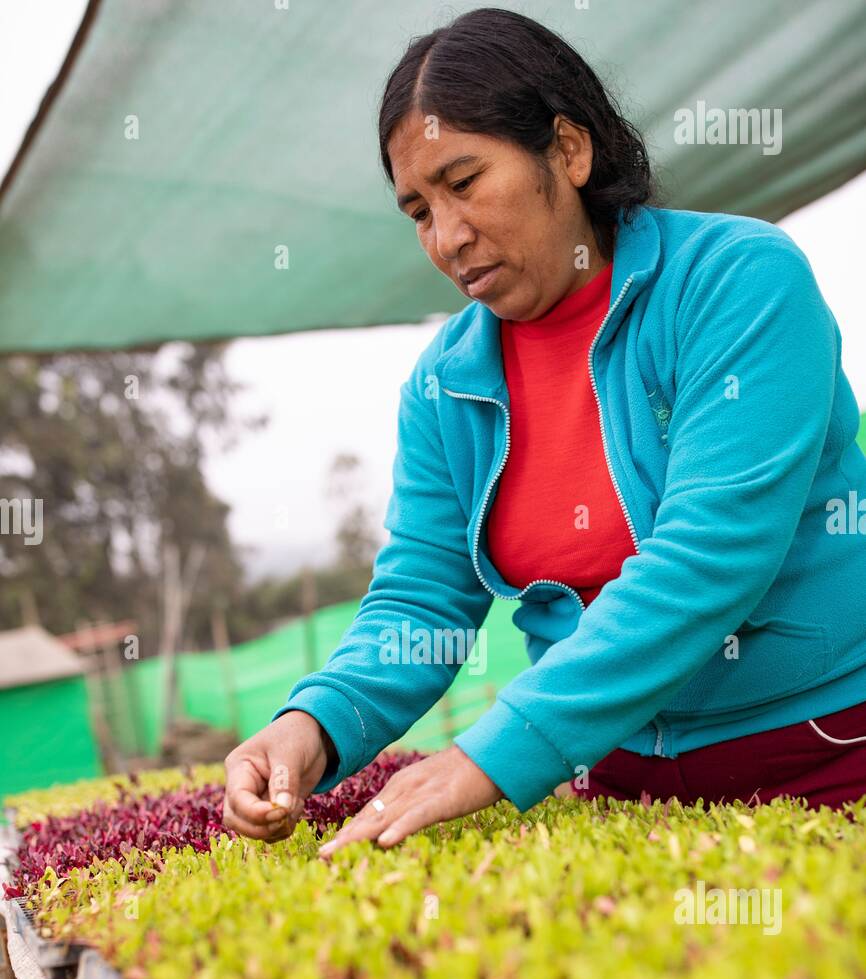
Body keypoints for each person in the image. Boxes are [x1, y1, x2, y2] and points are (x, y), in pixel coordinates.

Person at [223, 7, 866, 854]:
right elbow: (422, 600)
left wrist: (491, 756)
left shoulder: (737, 283)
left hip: (818, 756)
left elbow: (712, 556)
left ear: (568, 150)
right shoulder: (445, 384)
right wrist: (313, 724)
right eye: (417, 209)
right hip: (620, 791)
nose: (447, 237)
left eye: (464, 181)